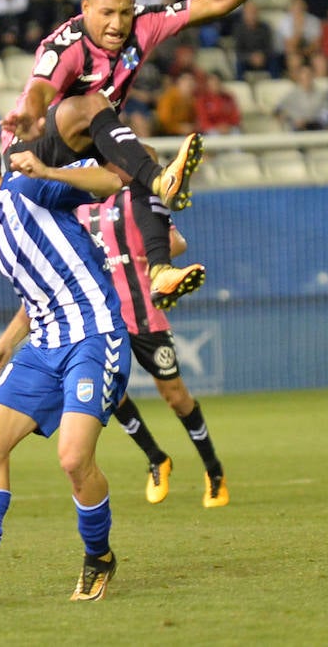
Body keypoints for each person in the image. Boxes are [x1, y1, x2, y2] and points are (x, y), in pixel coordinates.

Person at [0, 0, 291, 309]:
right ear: (86, 7)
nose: (116, 24)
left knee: (142, 156)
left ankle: (160, 270)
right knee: (95, 106)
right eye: (105, 13)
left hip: (82, 150)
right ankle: (160, 181)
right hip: (30, 150)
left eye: (123, 12)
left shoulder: (144, 24)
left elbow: (213, 2)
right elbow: (39, 88)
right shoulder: (65, 46)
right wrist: (28, 115)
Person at [0, 131, 132, 602]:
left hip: (93, 335)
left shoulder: (26, 189)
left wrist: (50, 170)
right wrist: (4, 344)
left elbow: (112, 179)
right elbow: (35, 292)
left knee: (74, 459)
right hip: (43, 346)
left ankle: (99, 556)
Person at [76, 185, 229, 508]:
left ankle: (213, 471)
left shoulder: (135, 197)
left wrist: (155, 248)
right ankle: (156, 457)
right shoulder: (75, 204)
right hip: (103, 318)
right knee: (112, 393)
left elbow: (176, 242)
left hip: (145, 313)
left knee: (175, 396)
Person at [232, 0, 280, 79]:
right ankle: (241, 85)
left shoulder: (265, 28)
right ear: (244, 14)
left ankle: (276, 82)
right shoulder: (239, 29)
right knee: (239, 64)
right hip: (247, 60)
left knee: (275, 61)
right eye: (249, 12)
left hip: (263, 59)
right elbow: (238, 51)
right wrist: (250, 57)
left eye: (254, 12)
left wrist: (262, 56)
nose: (252, 15)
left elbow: (270, 48)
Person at [274, 62, 327, 129]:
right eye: (304, 74)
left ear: (313, 75)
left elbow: (327, 113)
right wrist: (289, 119)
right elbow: (277, 110)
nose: (306, 77)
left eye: (309, 74)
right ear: (299, 76)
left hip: (317, 128)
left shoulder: (321, 94)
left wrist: (319, 122)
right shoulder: (292, 94)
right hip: (297, 130)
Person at [194, 70, 242, 135]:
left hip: (229, 128)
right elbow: (203, 120)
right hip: (211, 129)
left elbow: (235, 116)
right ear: (207, 84)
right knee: (214, 135)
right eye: (212, 83)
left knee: (236, 133)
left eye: (217, 82)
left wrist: (228, 126)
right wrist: (216, 127)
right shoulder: (203, 100)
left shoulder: (228, 98)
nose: (214, 85)